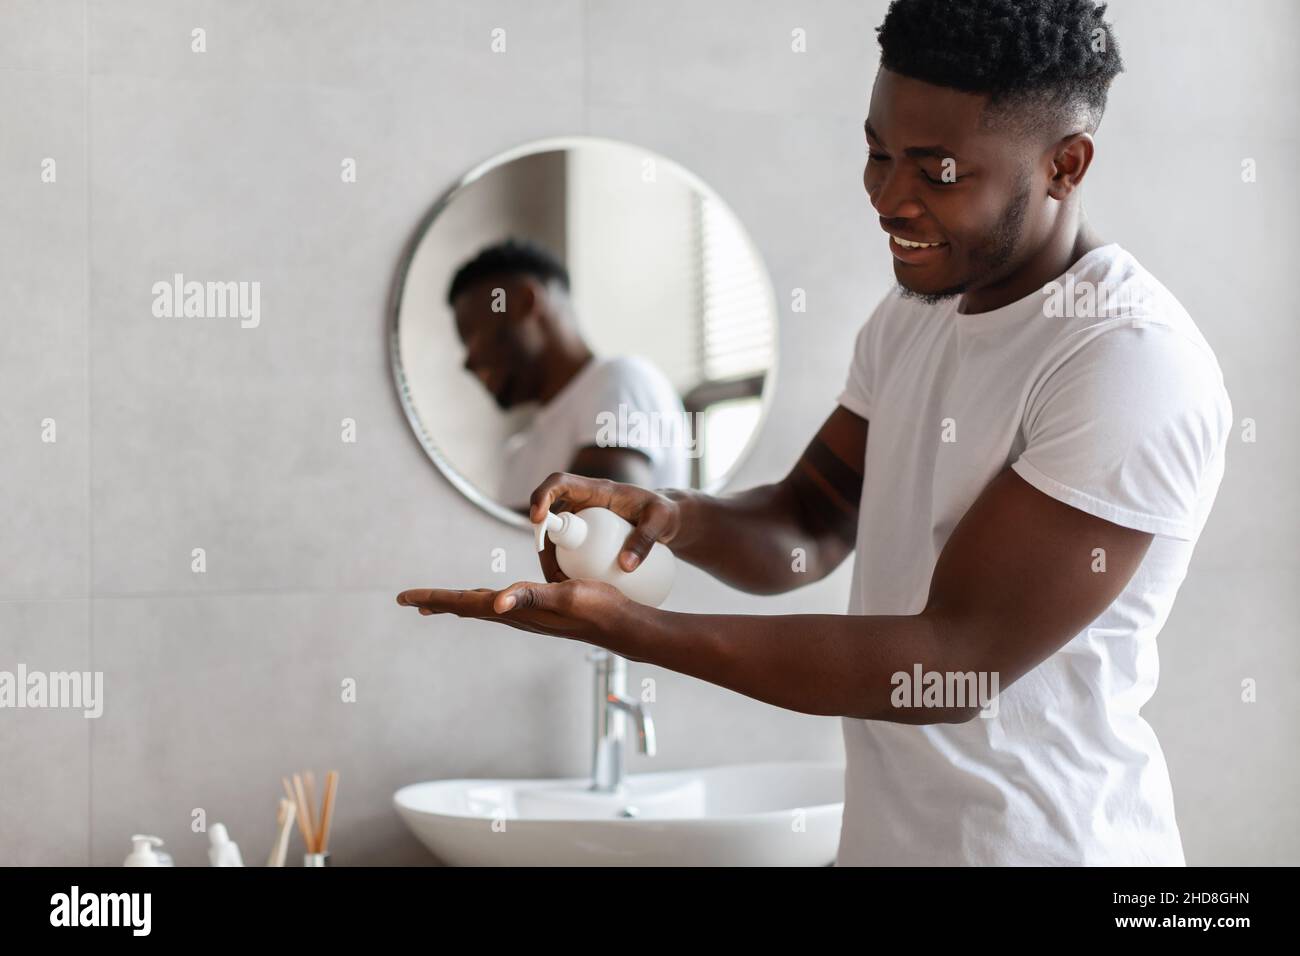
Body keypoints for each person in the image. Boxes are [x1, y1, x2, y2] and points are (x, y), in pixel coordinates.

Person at [401, 0, 1232, 866]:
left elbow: (956, 660)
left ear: (1065, 165)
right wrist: (671, 515)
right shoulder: (914, 317)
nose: (887, 198)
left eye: (937, 171)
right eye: (877, 153)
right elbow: (807, 524)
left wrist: (630, 631)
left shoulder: (1127, 361)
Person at [447, 239, 690, 511]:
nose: (467, 362)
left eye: (471, 336)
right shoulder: (518, 455)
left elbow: (597, 517)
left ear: (524, 303)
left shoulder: (621, 379)